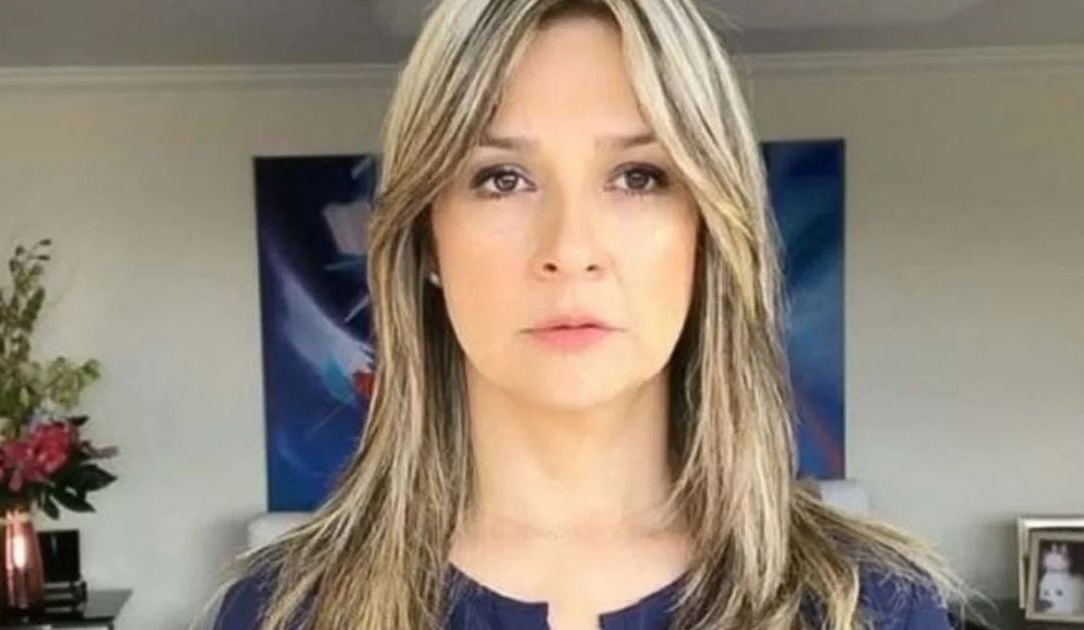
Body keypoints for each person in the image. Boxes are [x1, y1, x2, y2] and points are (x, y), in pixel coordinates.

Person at [206, 0, 966, 628]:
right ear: (427, 238)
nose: (570, 250)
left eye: (637, 176)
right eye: (502, 179)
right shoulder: (282, 612)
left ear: (706, 227)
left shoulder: (875, 606)